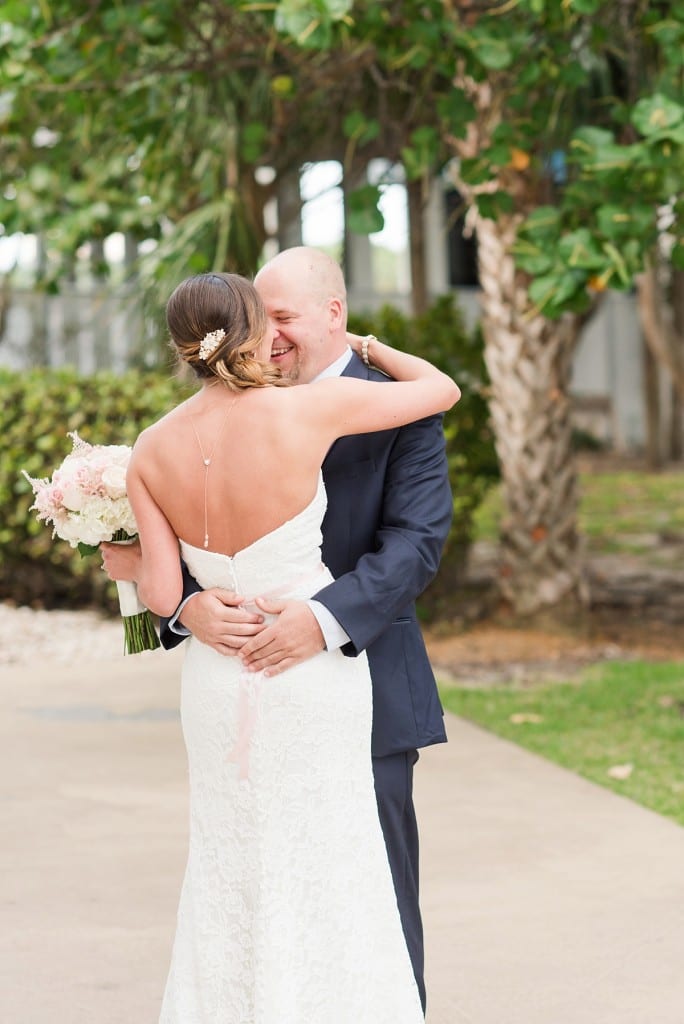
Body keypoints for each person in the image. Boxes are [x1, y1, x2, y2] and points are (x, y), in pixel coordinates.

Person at [102, 269, 460, 1023]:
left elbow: (417, 547)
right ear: (248, 329)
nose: (279, 334)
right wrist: (185, 613)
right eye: (269, 317)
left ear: (335, 312)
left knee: (368, 899)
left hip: (352, 679)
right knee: (233, 875)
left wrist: (322, 618)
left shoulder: (156, 445)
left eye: (289, 315)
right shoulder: (311, 411)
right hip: (273, 687)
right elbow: (156, 608)